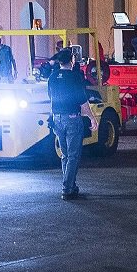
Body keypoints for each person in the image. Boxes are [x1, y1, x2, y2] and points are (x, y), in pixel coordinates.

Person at [47, 48, 89, 200]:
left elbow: (50, 97)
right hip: (72, 119)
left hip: (57, 119)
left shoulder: (51, 77)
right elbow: (83, 102)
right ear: (71, 60)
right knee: (73, 156)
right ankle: (67, 188)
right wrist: (92, 118)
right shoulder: (74, 77)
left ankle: (71, 185)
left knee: (65, 155)